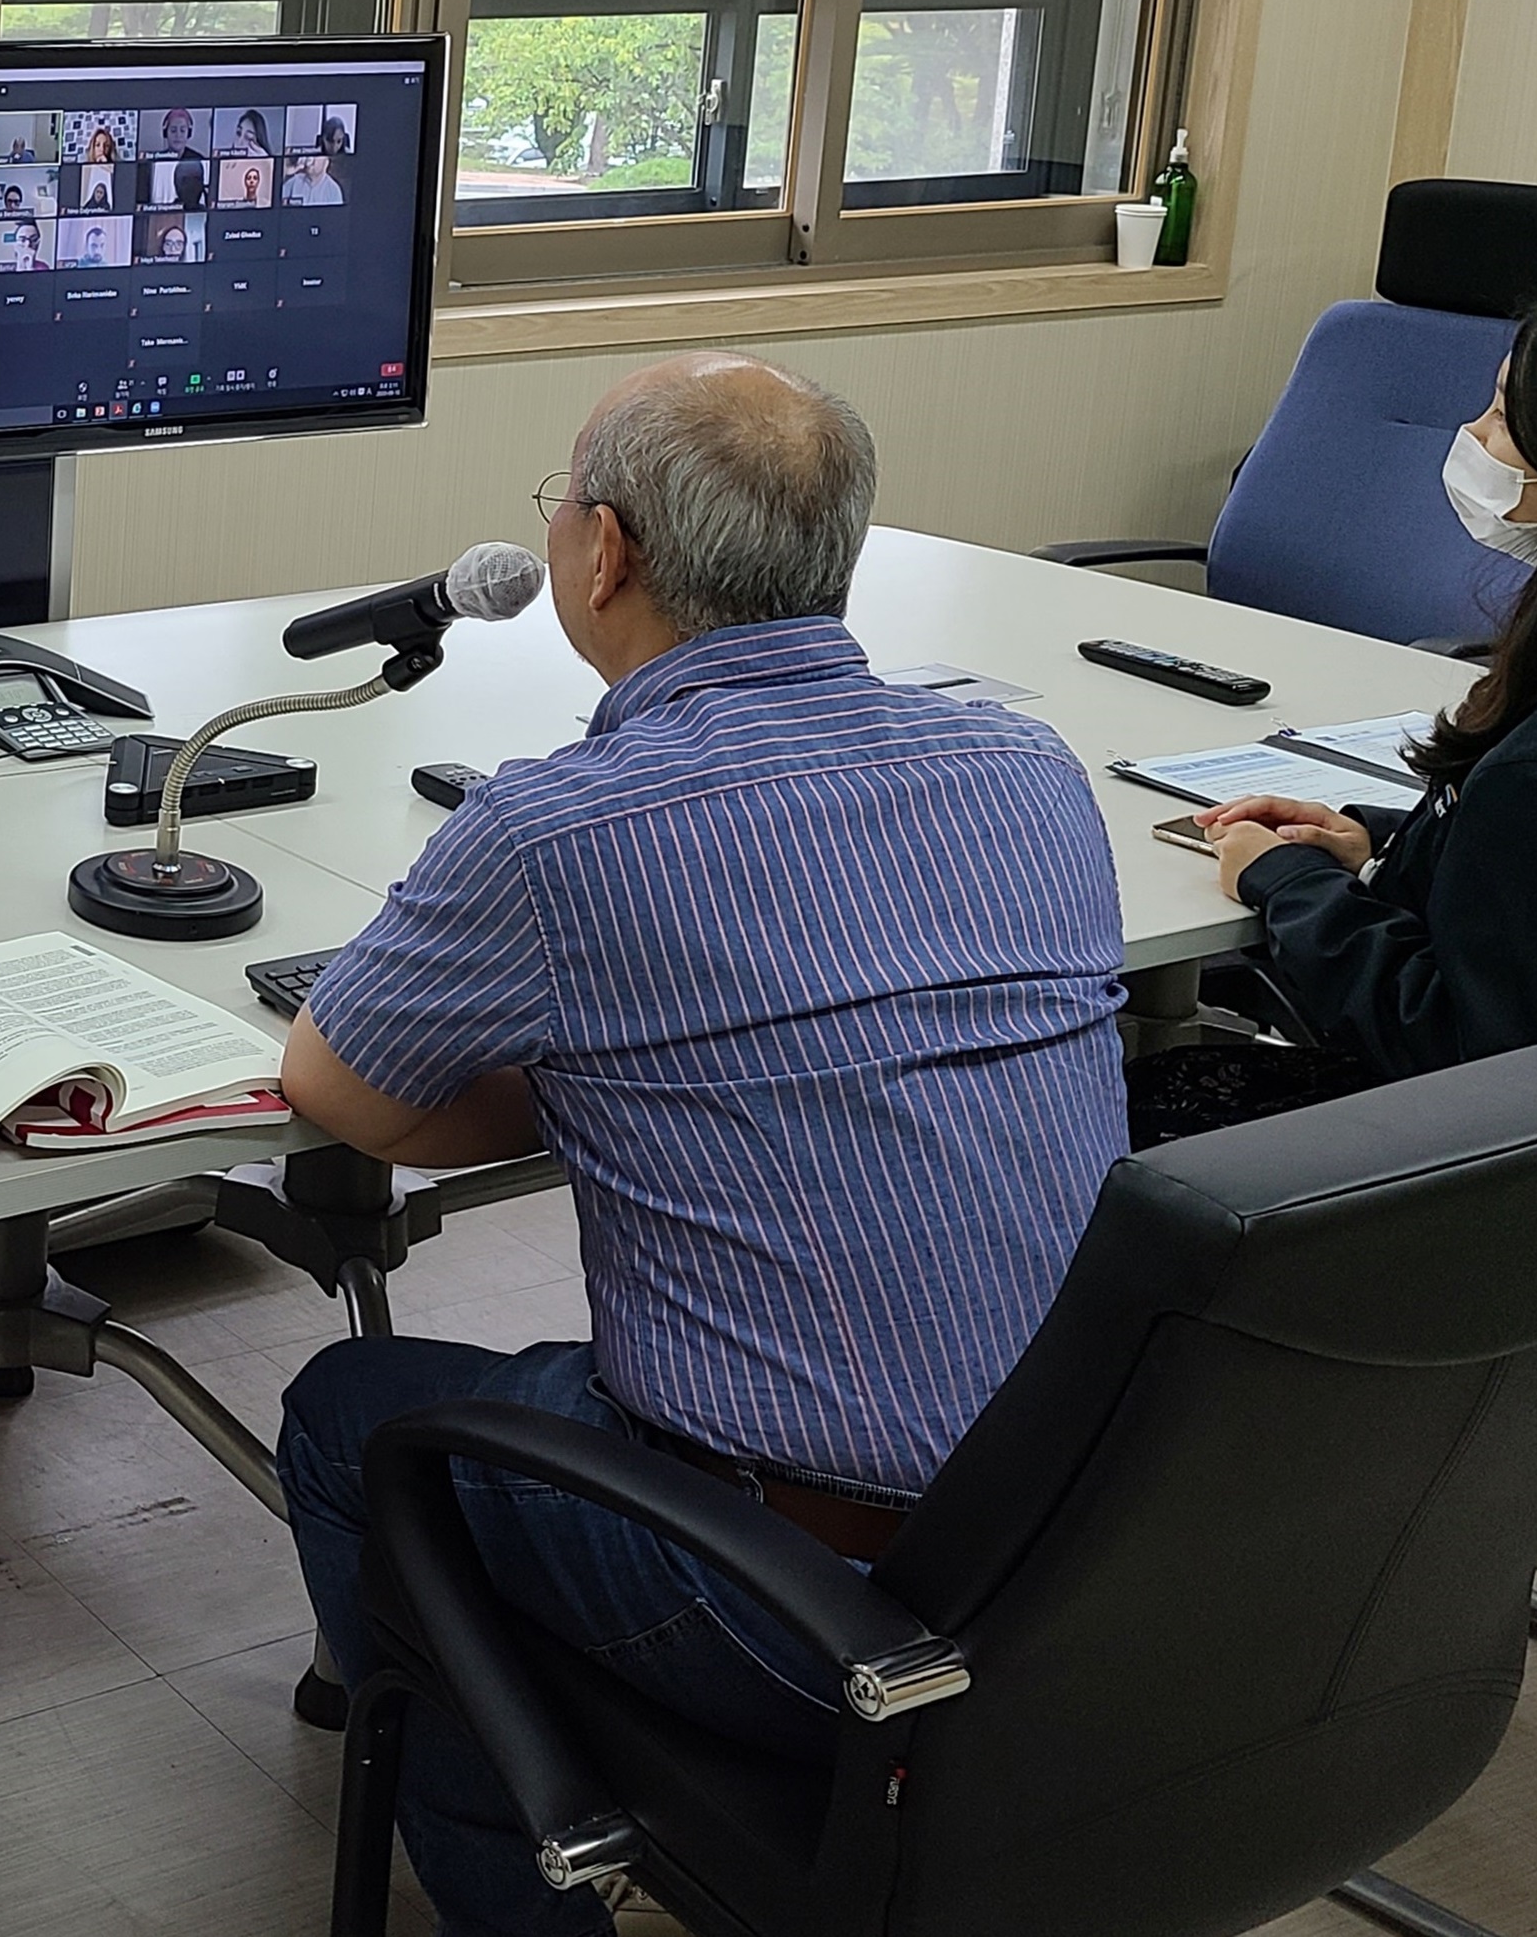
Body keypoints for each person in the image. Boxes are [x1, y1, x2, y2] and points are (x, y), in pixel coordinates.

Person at [273, 354, 1129, 1937]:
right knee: (550, 1382)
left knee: (352, 1415)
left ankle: (505, 1838)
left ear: (603, 554)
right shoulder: (1027, 764)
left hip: (814, 1616)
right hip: (1096, 1556)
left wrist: (586, 1073)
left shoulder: (555, 829)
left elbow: (340, 1094)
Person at [1175, 279, 1537, 1096]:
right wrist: (1381, 850)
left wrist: (1289, 884)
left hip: (1456, 1177)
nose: (1474, 438)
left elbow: (1457, 1051)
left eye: (1504, 419)